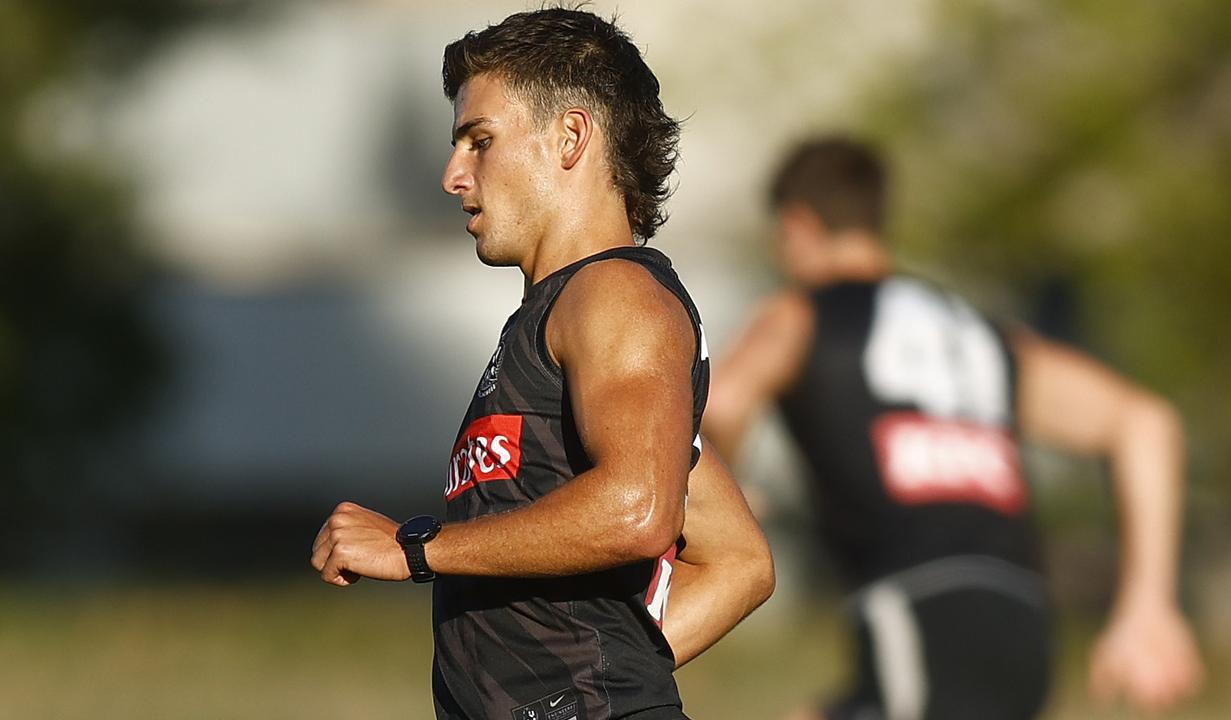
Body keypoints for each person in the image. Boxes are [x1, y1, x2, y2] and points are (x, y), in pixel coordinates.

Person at [310, 9, 774, 720]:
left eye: (479, 140)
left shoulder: (615, 297)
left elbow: (639, 508)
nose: (451, 174)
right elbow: (739, 558)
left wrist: (415, 548)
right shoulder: (565, 316)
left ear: (570, 136)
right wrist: (602, 669)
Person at [703, 137, 1204, 720]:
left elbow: (722, 405)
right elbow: (1146, 422)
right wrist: (1148, 607)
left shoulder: (796, 313)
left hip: (917, 605)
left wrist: (721, 505)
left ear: (798, 224)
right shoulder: (977, 331)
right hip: (1025, 618)